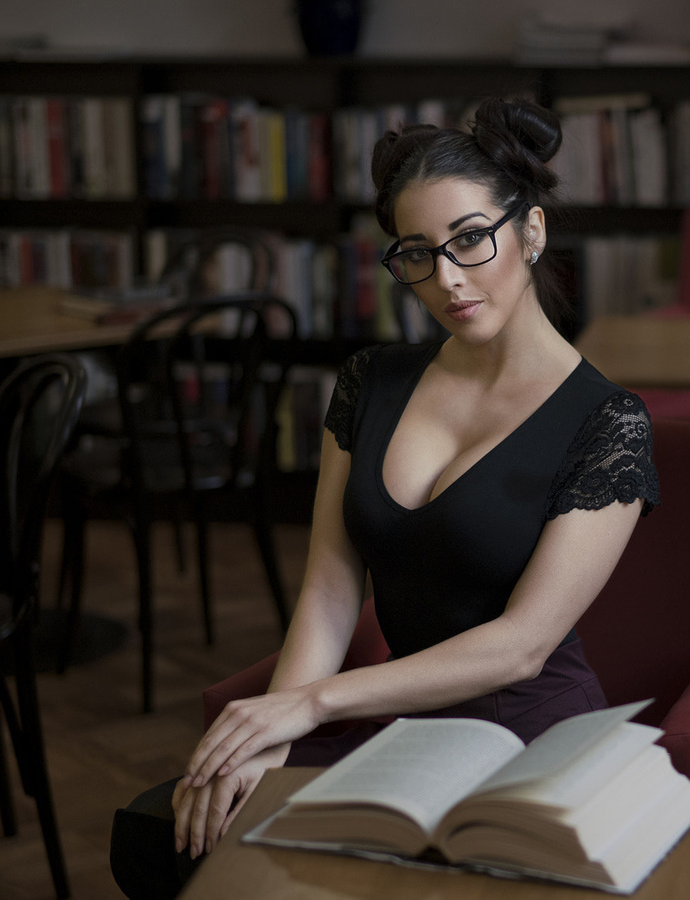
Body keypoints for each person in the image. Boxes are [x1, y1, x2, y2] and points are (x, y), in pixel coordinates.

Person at [109, 96, 660, 899]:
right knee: (171, 837)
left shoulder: (609, 421)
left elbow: (521, 646)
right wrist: (269, 736)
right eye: (416, 253)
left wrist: (308, 707)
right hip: (411, 733)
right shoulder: (371, 381)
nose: (446, 279)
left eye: (472, 239)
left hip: (533, 735)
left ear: (532, 230)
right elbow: (330, 593)